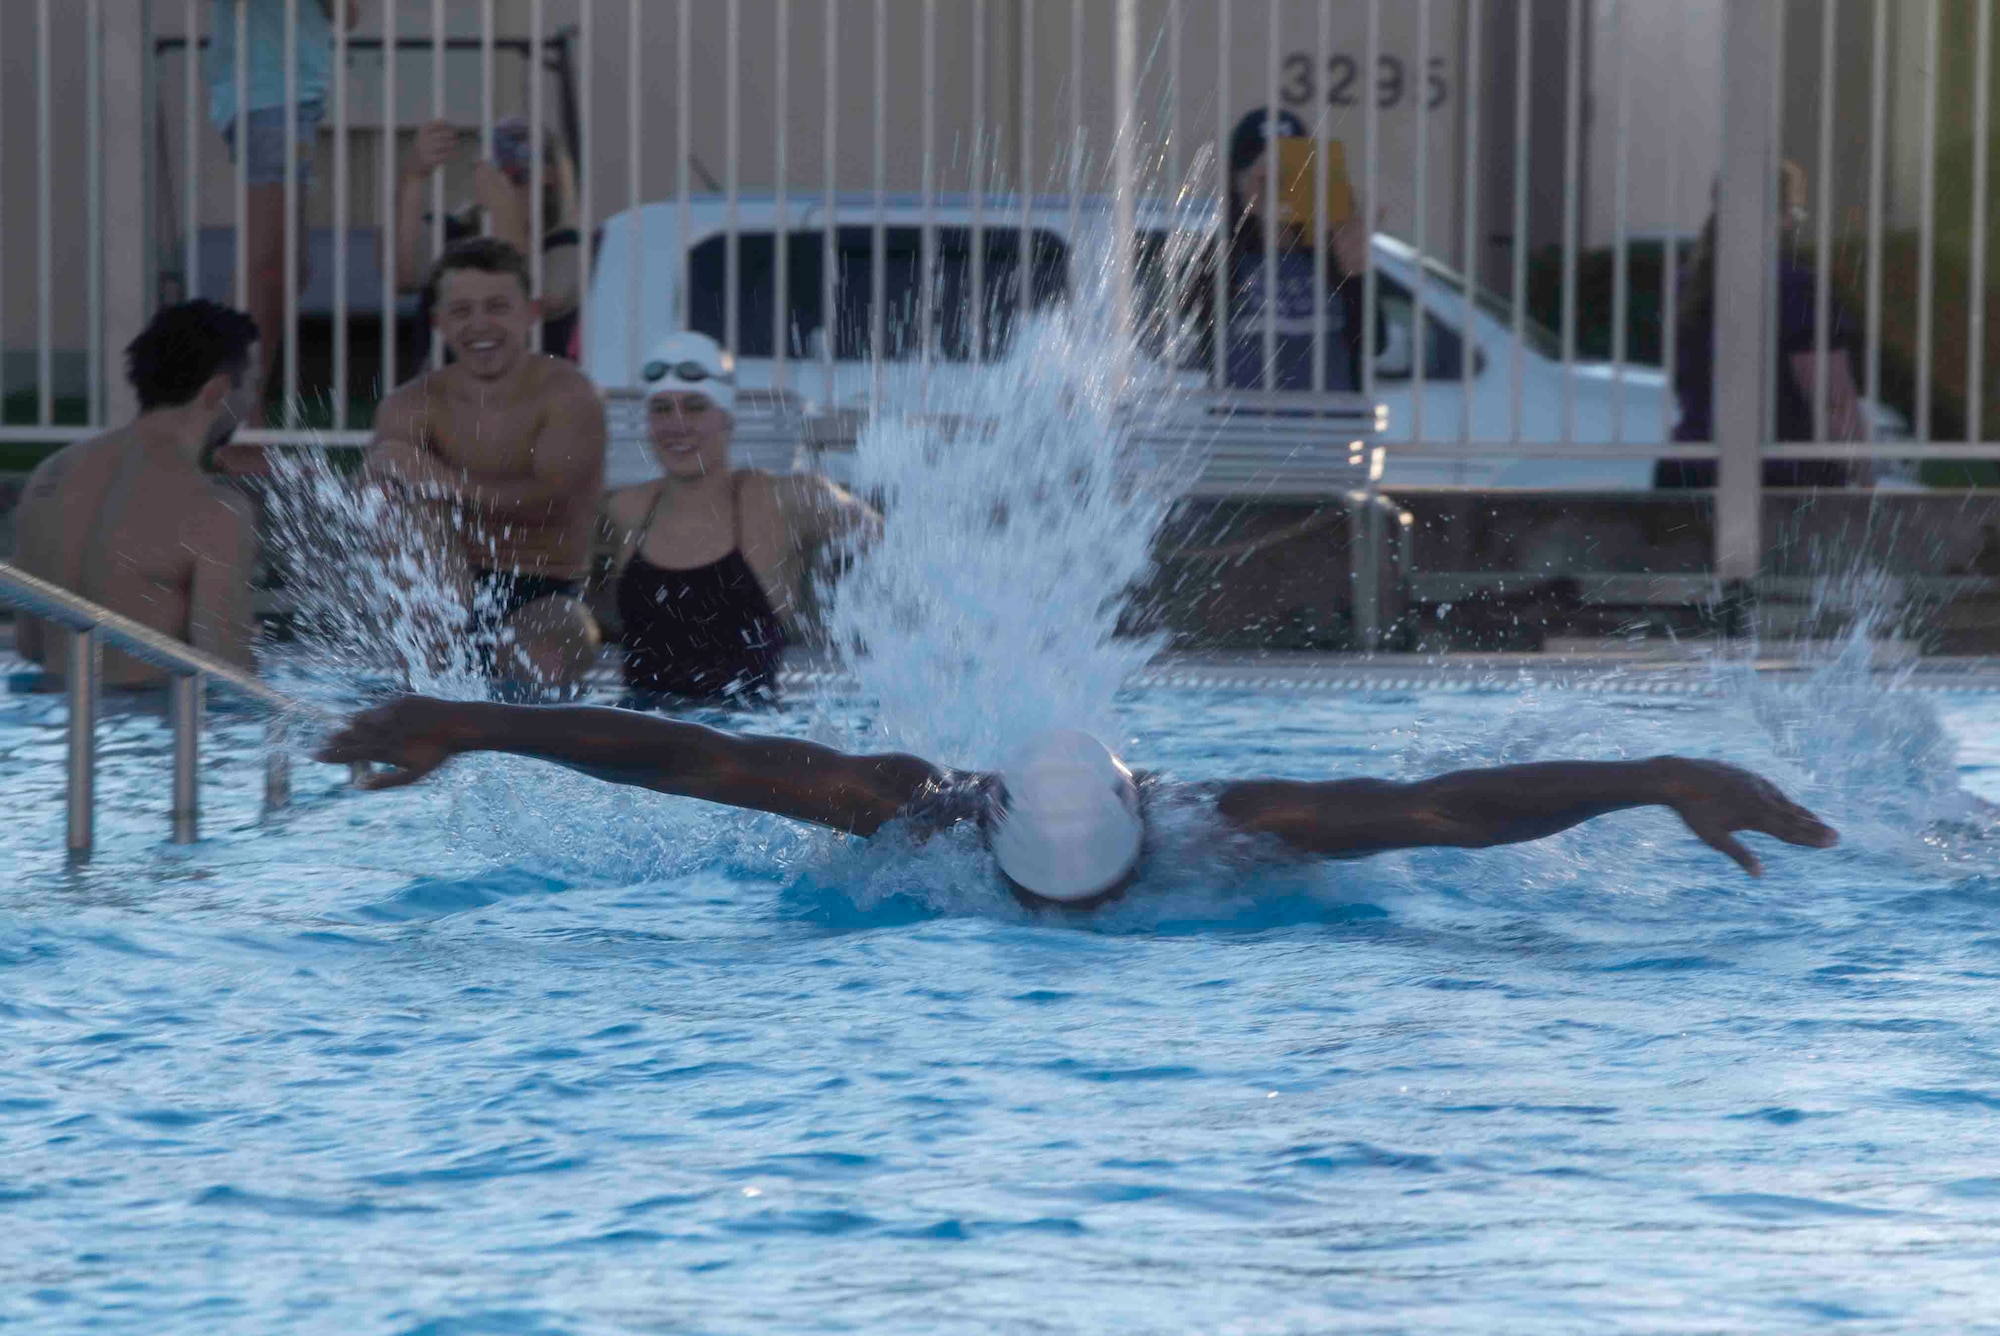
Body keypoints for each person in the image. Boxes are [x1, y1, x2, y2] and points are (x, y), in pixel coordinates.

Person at [316, 699, 1840, 908]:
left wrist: (1654, 776)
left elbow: (1442, 809)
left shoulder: (1230, 821)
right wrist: (470, 725)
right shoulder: (925, 813)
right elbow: (691, 758)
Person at [366, 237, 606, 687]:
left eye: (497, 307)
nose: (480, 325)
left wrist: (441, 481)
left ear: (530, 313)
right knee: (392, 504)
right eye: (461, 311)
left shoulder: (568, 395)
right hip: (447, 589)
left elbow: (553, 503)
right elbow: (377, 498)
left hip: (544, 590)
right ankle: (429, 698)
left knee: (550, 648)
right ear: (439, 323)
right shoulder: (411, 404)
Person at [603, 332, 877, 703]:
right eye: (662, 408)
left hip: (742, 744)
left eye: (696, 406)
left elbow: (894, 542)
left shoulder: (781, 501)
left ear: (727, 418)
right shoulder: (627, 509)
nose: (677, 424)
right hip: (638, 733)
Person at [14, 301, 261, 689]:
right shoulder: (214, 511)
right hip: (151, 730)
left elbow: (29, 643)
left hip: (51, 720)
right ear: (217, 392)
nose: (250, 406)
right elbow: (230, 675)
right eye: (251, 386)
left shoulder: (50, 475)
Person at [1656, 161, 1871, 489]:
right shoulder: (1794, 286)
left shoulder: (1687, 285)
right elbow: (1832, 398)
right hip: (1780, 480)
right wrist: (1863, 474)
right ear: (1782, 216)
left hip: (1691, 473)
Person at [207, 0, 359, 408]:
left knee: (292, 268)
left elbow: (348, 14)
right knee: (270, 265)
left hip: (299, 98)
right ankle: (237, 416)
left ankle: (218, 397)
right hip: (266, 96)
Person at [396, 117, 584, 363]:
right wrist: (413, 177)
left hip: (529, 394)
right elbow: (403, 276)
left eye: (517, 176)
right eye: (493, 172)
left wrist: (502, 209)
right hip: (446, 391)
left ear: (549, 178)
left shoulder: (568, 246)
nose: (501, 184)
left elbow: (526, 297)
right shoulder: (454, 232)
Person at [1214, 106, 1373, 393]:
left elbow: (1374, 343)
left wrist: (1356, 278)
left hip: (1329, 431)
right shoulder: (1221, 258)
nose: (1278, 188)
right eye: (1265, 180)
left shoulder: (1333, 251)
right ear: (1238, 182)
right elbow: (1198, 344)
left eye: (1287, 176)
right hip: (1244, 434)